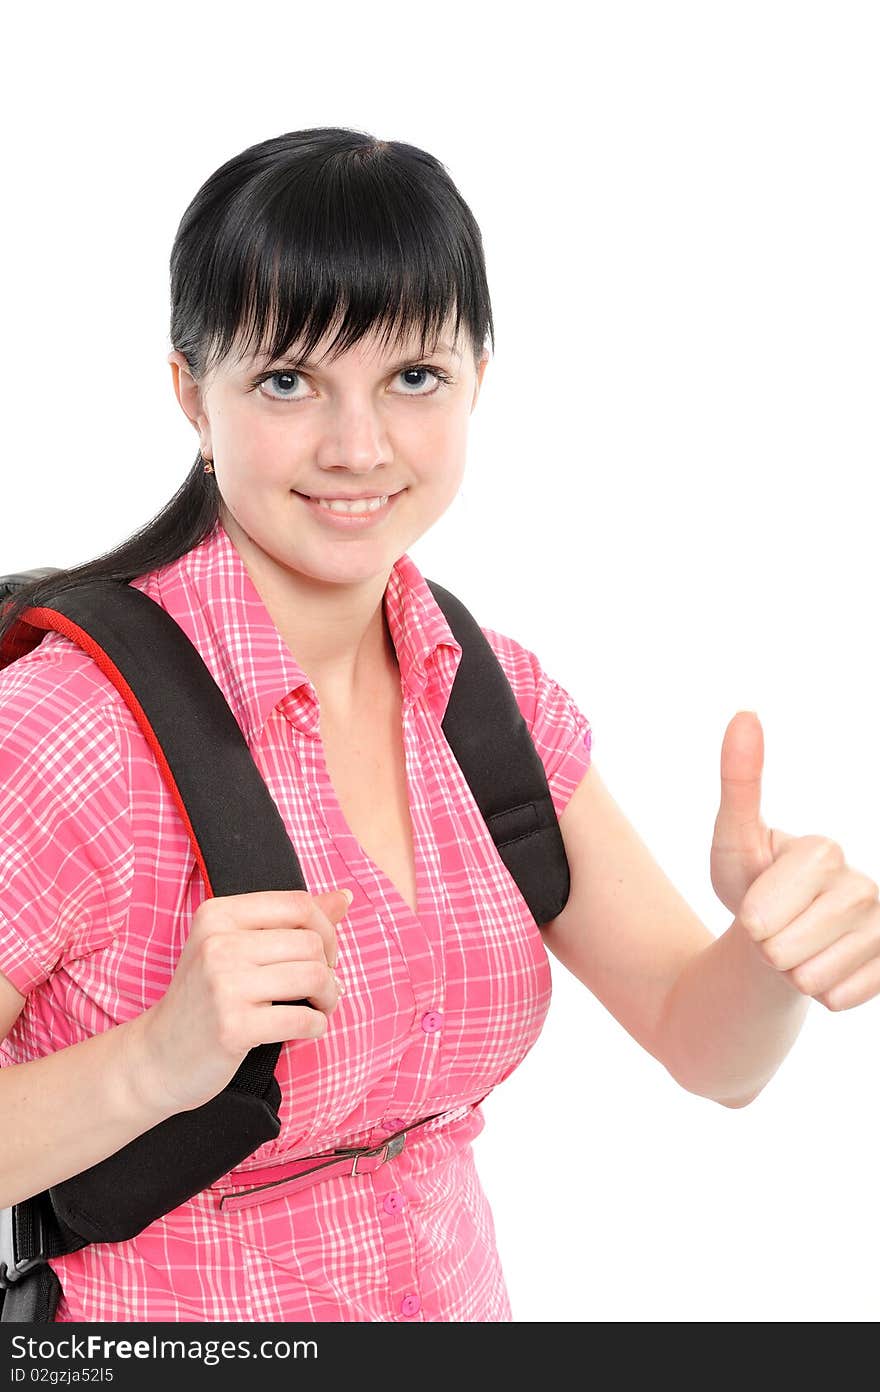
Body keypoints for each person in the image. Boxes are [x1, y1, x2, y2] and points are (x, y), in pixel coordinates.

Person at [1, 127, 878, 1324]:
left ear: (477, 380)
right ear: (188, 392)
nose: (358, 448)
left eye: (413, 377)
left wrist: (769, 958)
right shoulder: (66, 733)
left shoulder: (484, 699)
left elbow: (704, 1048)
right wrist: (154, 1062)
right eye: (287, 380)